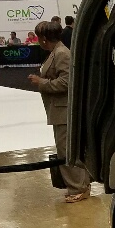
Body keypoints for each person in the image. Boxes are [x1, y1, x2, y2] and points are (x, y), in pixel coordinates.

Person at [27, 20, 92, 202]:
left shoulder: (62, 54)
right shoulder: (56, 52)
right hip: (60, 111)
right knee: (68, 149)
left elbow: (67, 82)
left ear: (44, 38)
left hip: (64, 111)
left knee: (66, 151)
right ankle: (80, 185)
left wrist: (42, 82)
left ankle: (78, 187)